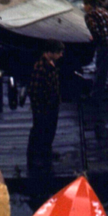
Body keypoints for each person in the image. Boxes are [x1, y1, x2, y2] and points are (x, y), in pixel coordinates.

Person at [27, 40, 64, 172]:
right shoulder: (40, 68)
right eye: (59, 53)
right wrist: (40, 109)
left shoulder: (51, 64)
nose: (61, 55)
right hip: (43, 108)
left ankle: (46, 151)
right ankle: (34, 156)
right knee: (39, 130)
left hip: (52, 105)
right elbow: (34, 91)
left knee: (50, 130)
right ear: (51, 52)